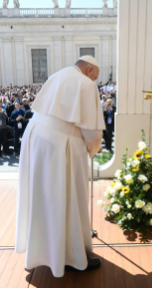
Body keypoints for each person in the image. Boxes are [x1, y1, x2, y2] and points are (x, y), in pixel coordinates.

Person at [15, 56, 105, 278]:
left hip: (35, 136)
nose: (96, 79)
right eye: (96, 75)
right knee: (63, 197)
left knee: (42, 195)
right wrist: (95, 148)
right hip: (59, 145)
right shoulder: (86, 84)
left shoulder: (57, 75)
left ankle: (43, 248)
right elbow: (91, 130)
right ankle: (68, 257)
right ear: (90, 69)